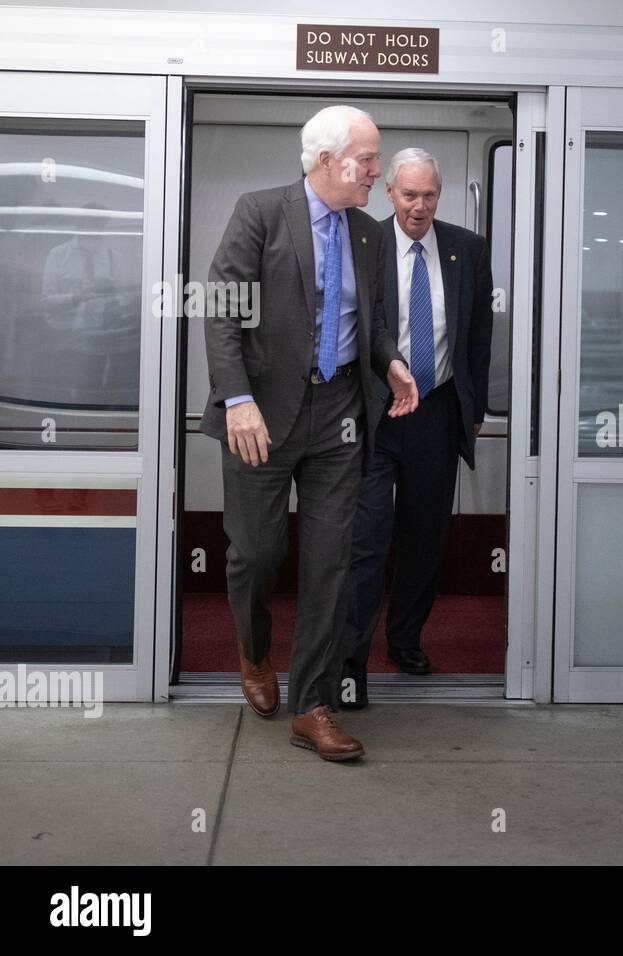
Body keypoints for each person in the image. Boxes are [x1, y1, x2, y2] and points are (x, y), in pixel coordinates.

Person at [202, 105, 419, 760]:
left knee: (332, 562)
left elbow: (373, 323)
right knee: (258, 553)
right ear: (326, 159)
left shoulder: (370, 236)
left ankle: (314, 706)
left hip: (340, 418)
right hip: (261, 415)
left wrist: (392, 362)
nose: (378, 173)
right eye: (368, 159)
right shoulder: (260, 212)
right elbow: (222, 308)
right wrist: (237, 398)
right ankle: (256, 648)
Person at [339, 147, 492, 707]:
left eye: (429, 195)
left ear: (440, 195)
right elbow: (358, 330)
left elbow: (478, 338)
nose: (419, 206)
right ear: (390, 194)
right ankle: (350, 663)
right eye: (409, 195)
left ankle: (405, 641)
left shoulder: (468, 250)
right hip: (377, 414)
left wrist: (471, 414)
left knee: (424, 538)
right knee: (366, 540)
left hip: (437, 411)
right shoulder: (365, 244)